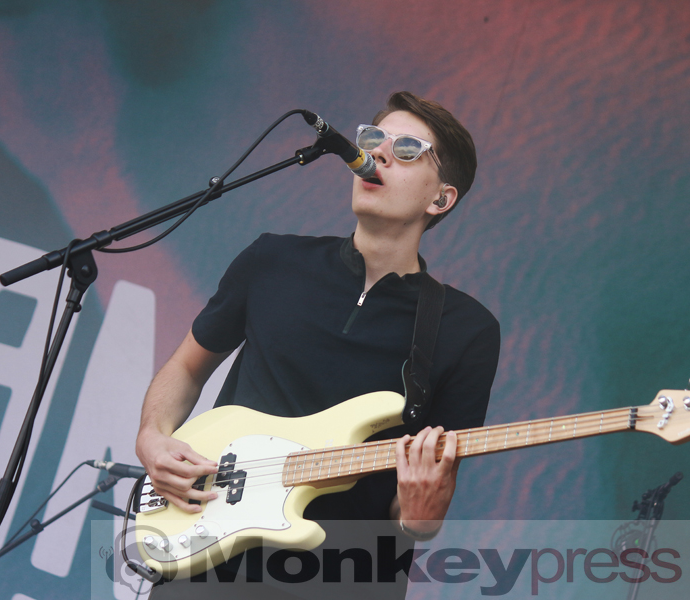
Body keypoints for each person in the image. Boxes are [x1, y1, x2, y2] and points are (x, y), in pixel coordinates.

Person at [135, 91, 500, 598]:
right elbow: (186, 367)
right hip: (205, 564)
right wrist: (153, 437)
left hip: (340, 581)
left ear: (440, 198)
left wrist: (422, 518)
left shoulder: (466, 330)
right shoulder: (272, 260)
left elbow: (421, 496)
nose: (377, 155)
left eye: (409, 149)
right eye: (373, 140)